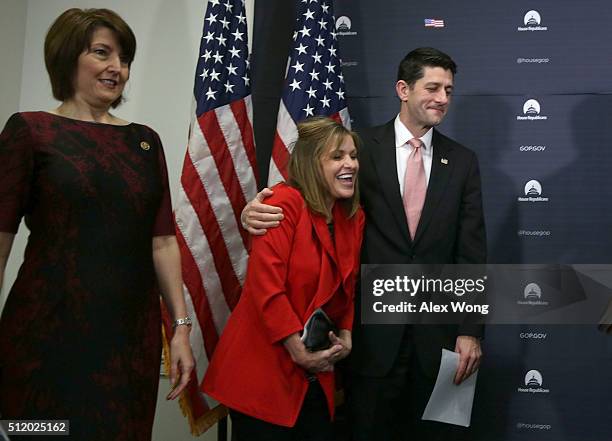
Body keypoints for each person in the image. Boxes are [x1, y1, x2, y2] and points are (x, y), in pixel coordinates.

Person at [241, 47, 486, 440]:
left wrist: (471, 330)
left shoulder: (463, 161)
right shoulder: (359, 150)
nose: (443, 98)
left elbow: (471, 253)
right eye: (433, 87)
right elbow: (308, 195)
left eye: (449, 90)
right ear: (403, 89)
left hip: (438, 338)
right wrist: (251, 210)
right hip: (371, 339)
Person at [0, 8, 194, 441]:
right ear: (69, 58)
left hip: (127, 341)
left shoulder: (144, 142)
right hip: (45, 337)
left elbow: (162, 242)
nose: (117, 68)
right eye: (102, 53)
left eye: (124, 59)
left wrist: (179, 330)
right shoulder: (30, 131)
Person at [203, 116, 365, 441]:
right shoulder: (282, 203)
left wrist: (345, 333)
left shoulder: (352, 216)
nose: (350, 164)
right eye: (337, 156)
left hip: (315, 374)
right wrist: (297, 349)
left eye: (352, 155)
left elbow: (347, 288)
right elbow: (266, 288)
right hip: (262, 370)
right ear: (310, 162)